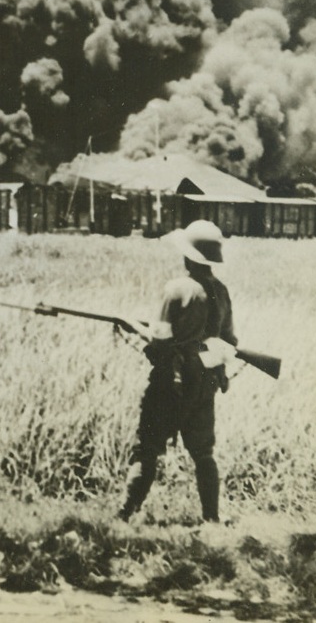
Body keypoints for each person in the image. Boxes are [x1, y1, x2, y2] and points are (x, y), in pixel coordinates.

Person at [118, 219, 238, 524]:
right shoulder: (221, 292)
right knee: (203, 454)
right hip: (205, 381)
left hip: (171, 382)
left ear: (188, 256)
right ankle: (211, 518)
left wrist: (134, 329)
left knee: (147, 448)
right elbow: (229, 339)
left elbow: (161, 341)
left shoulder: (177, 289)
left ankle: (123, 516)